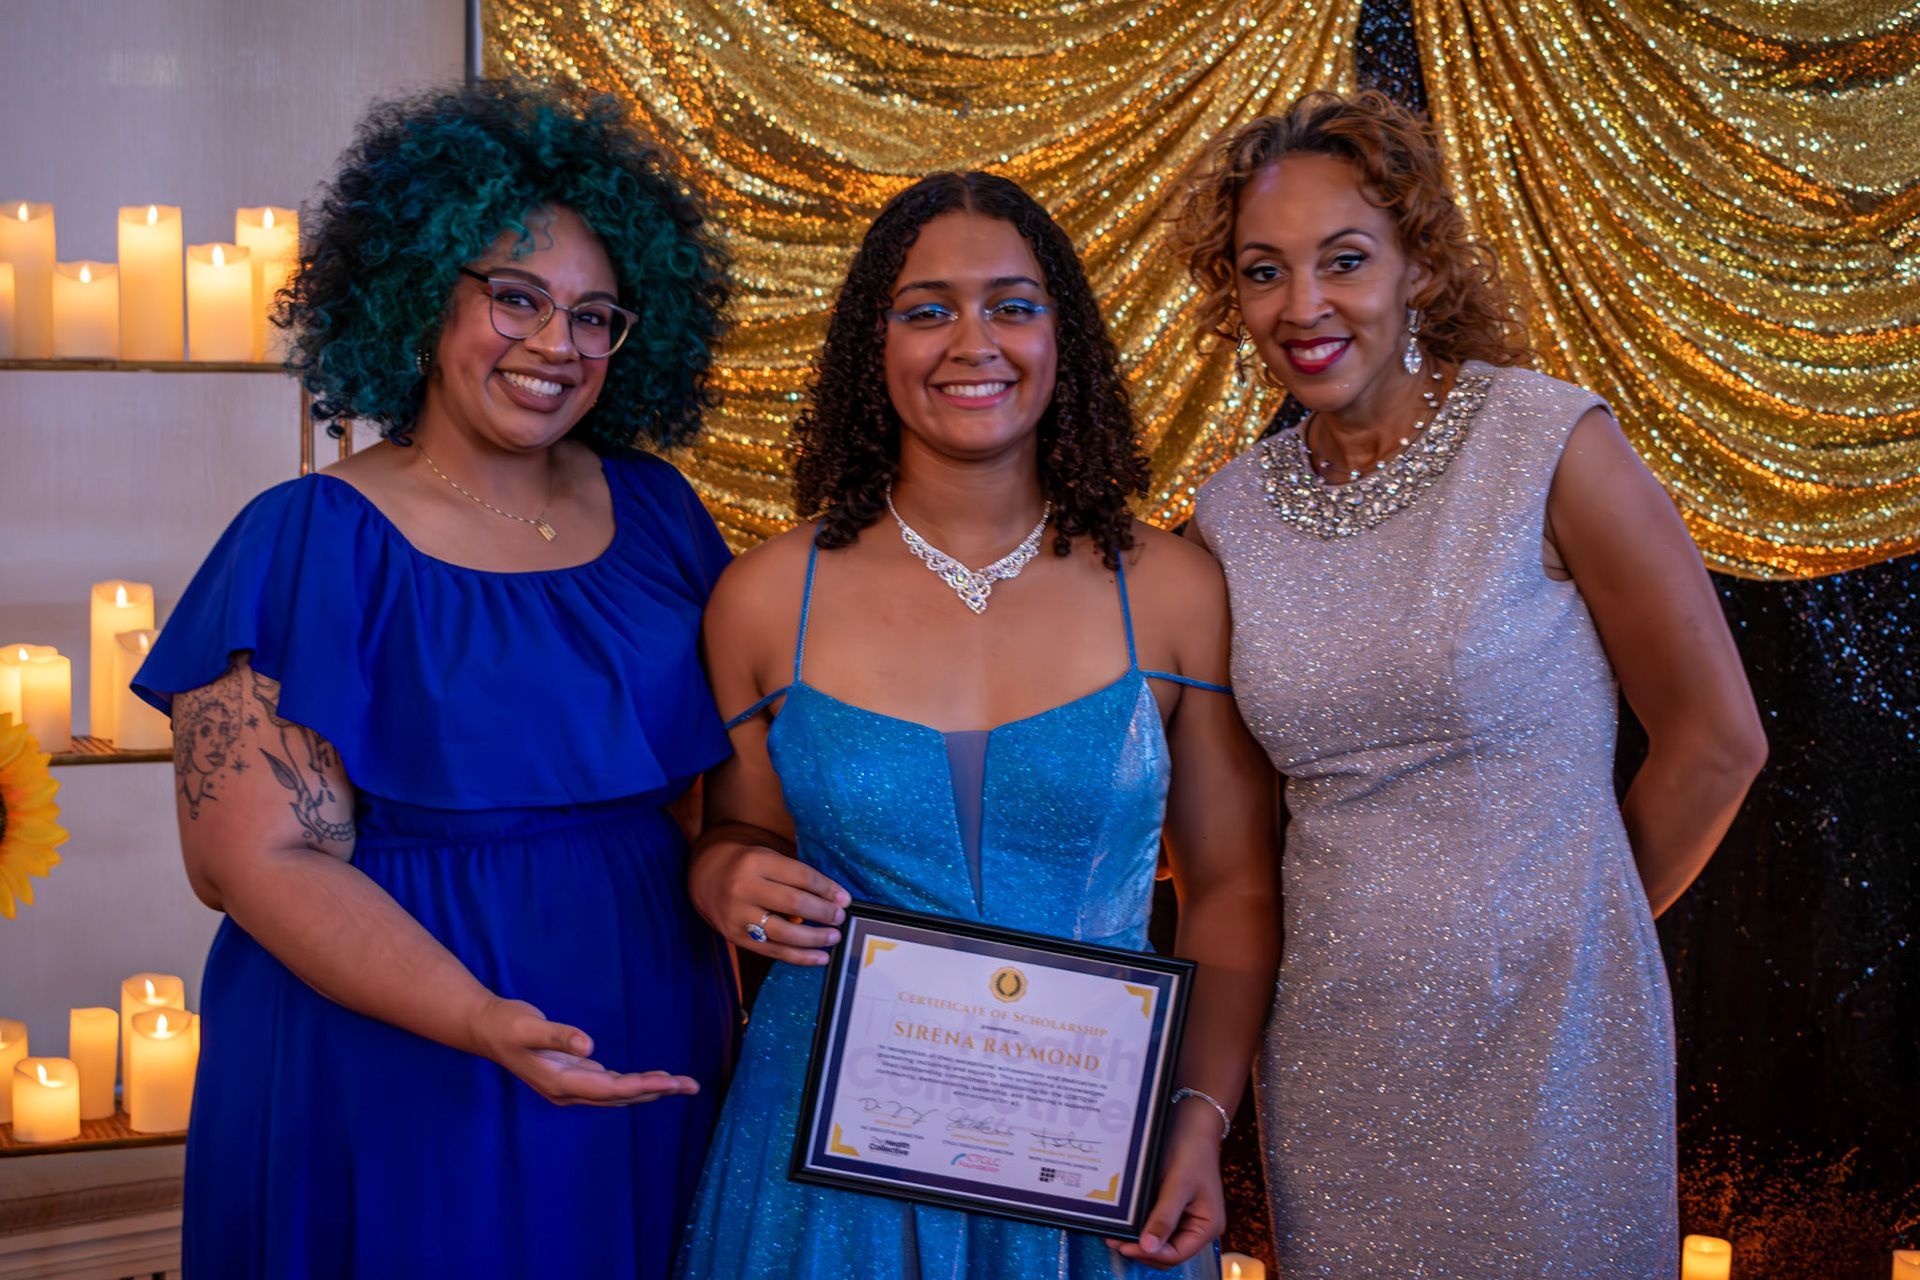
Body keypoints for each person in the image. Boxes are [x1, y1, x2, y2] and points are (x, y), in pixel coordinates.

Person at [131, 82, 737, 1278]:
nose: (556, 344)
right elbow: (248, 858)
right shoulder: (307, 534)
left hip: (649, 1004)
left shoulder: (664, 513)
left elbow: (723, 788)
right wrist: (477, 1016)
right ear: (418, 294)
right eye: (515, 296)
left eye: (594, 315)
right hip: (390, 1046)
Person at [1171, 90, 1768, 1276]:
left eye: (1345, 260)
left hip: (1551, 1041)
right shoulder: (1230, 515)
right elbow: (1227, 852)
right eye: (1261, 272)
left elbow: (1715, 741)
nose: (1303, 307)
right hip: (1340, 1050)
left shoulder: (1547, 441)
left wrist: (1565, 930)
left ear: (1419, 269)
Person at [675, 171, 1278, 1278]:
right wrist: (724, 876)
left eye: (1012, 304)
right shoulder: (766, 595)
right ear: (875, 344)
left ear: (1066, 338)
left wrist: (1199, 1115)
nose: (972, 341)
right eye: (926, 308)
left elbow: (1232, 885)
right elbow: (738, 834)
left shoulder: (1176, 588)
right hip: (825, 1151)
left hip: (1097, 1146)